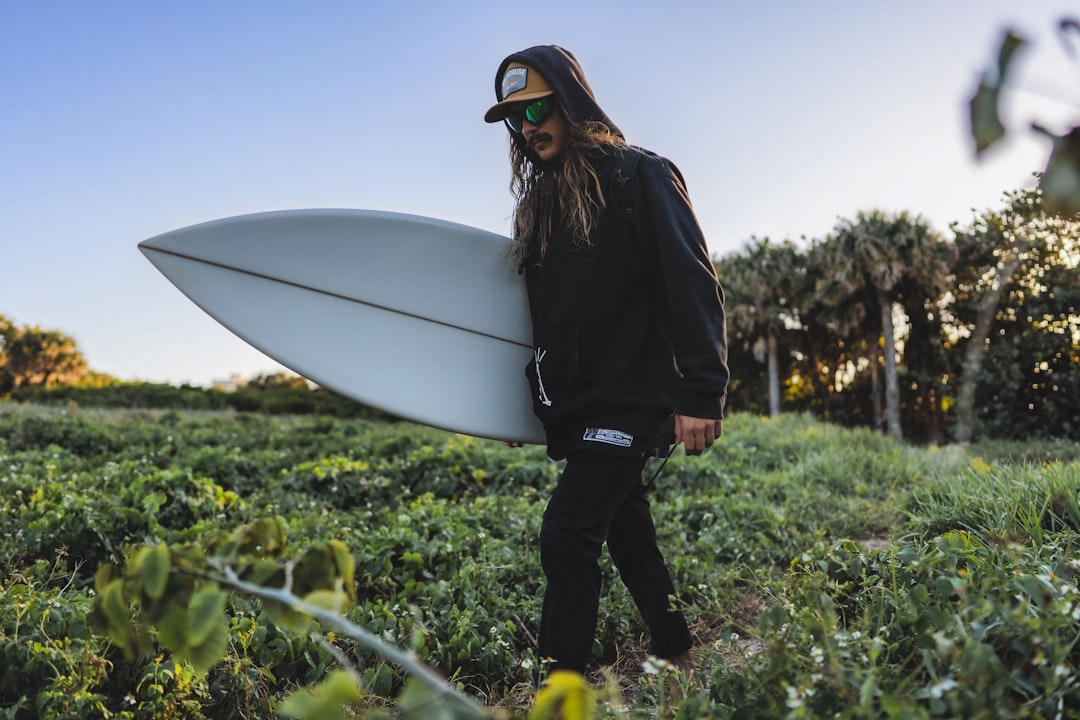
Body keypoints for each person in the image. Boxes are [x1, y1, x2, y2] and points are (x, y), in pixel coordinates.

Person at [483, 45, 729, 677]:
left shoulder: (637, 175)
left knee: (566, 532)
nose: (529, 126)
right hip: (581, 404)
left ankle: (558, 689)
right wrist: (525, 405)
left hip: (633, 396)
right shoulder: (541, 205)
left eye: (538, 107)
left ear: (571, 100)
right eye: (515, 117)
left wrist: (702, 393)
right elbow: (545, 324)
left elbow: (691, 282)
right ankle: (677, 647)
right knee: (626, 530)